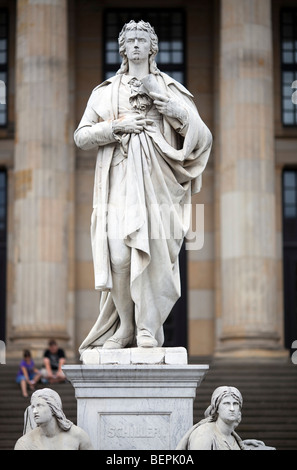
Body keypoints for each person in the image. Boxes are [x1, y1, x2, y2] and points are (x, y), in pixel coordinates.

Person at [74, 20, 212, 354]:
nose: (136, 44)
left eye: (142, 39)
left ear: (153, 47)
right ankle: (125, 326)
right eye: (130, 40)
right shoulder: (105, 92)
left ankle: (149, 327)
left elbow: (203, 136)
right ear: (122, 48)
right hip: (119, 180)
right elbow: (81, 136)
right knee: (119, 255)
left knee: (153, 255)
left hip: (158, 184)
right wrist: (116, 126)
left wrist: (175, 110)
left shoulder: (170, 88)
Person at [176, 386, 276, 450]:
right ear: (217, 408)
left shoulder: (233, 438)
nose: (232, 409)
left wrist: (246, 447)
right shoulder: (204, 433)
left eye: (235, 404)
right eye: (226, 404)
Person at [14, 388, 93, 450]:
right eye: (33, 407)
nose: (34, 411)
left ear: (53, 409)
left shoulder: (77, 435)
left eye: (39, 406)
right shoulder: (25, 442)